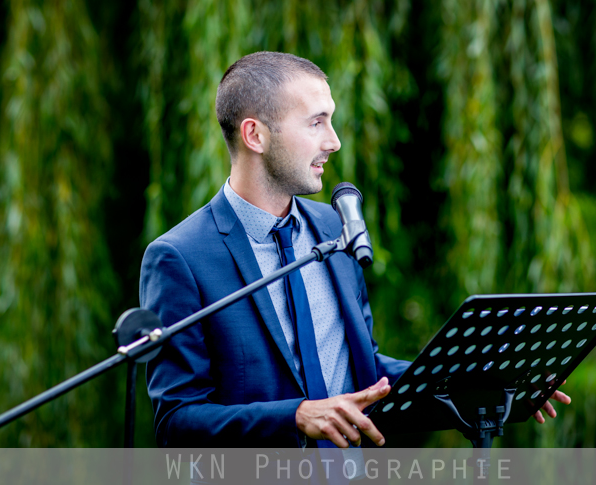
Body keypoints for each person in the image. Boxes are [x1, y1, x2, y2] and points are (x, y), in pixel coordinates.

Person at [140, 51, 569, 449]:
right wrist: (295, 415)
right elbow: (177, 420)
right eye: (316, 123)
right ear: (255, 134)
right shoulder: (179, 258)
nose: (334, 141)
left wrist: (481, 381)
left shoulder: (335, 226)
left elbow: (361, 367)